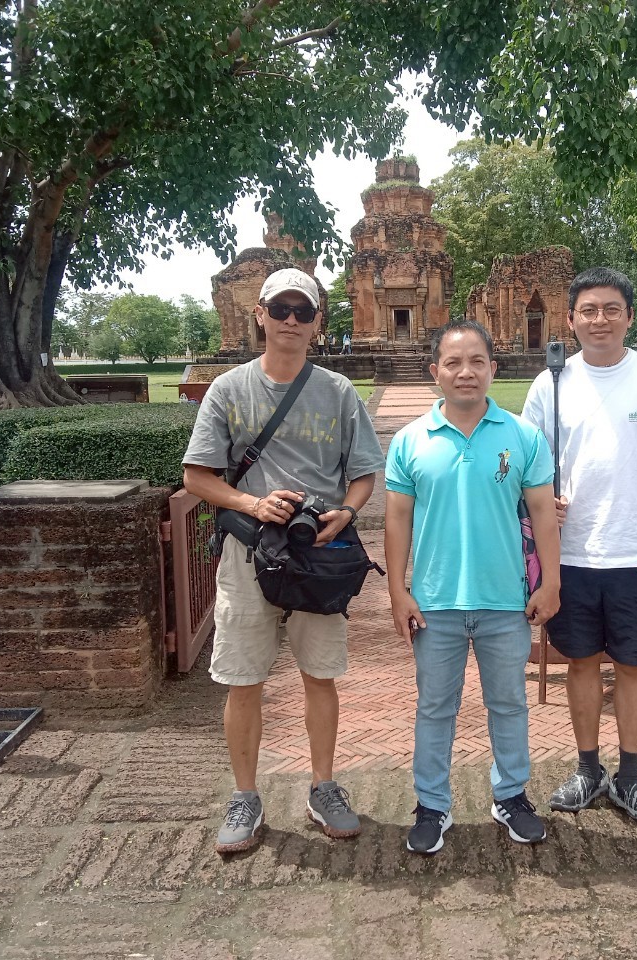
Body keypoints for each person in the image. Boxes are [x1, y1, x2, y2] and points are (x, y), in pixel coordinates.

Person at [182, 267, 384, 854]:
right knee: (244, 680)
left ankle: (323, 785)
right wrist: (252, 502)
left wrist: (347, 512)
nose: (291, 320)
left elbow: (366, 472)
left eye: (303, 310)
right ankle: (245, 794)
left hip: (317, 553)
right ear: (260, 315)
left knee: (320, 675)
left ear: (318, 321)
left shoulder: (338, 391)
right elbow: (197, 476)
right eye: (281, 309)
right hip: (249, 552)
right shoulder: (229, 389)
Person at [522, 267, 637, 824]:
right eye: (588, 310)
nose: (599, 319)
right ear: (572, 319)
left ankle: (629, 776)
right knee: (579, 662)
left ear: (629, 316)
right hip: (571, 555)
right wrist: (539, 501)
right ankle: (587, 769)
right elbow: (530, 463)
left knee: (633, 665)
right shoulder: (551, 382)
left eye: (610, 309)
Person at [385, 320, 561, 854]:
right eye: (454, 363)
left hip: (505, 599)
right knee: (435, 707)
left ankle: (511, 796)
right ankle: (432, 805)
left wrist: (550, 582)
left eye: (477, 361)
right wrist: (398, 591)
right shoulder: (410, 441)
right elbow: (397, 522)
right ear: (435, 370)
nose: (466, 372)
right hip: (435, 601)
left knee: (507, 704)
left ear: (493, 367)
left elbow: (542, 515)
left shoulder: (522, 436)